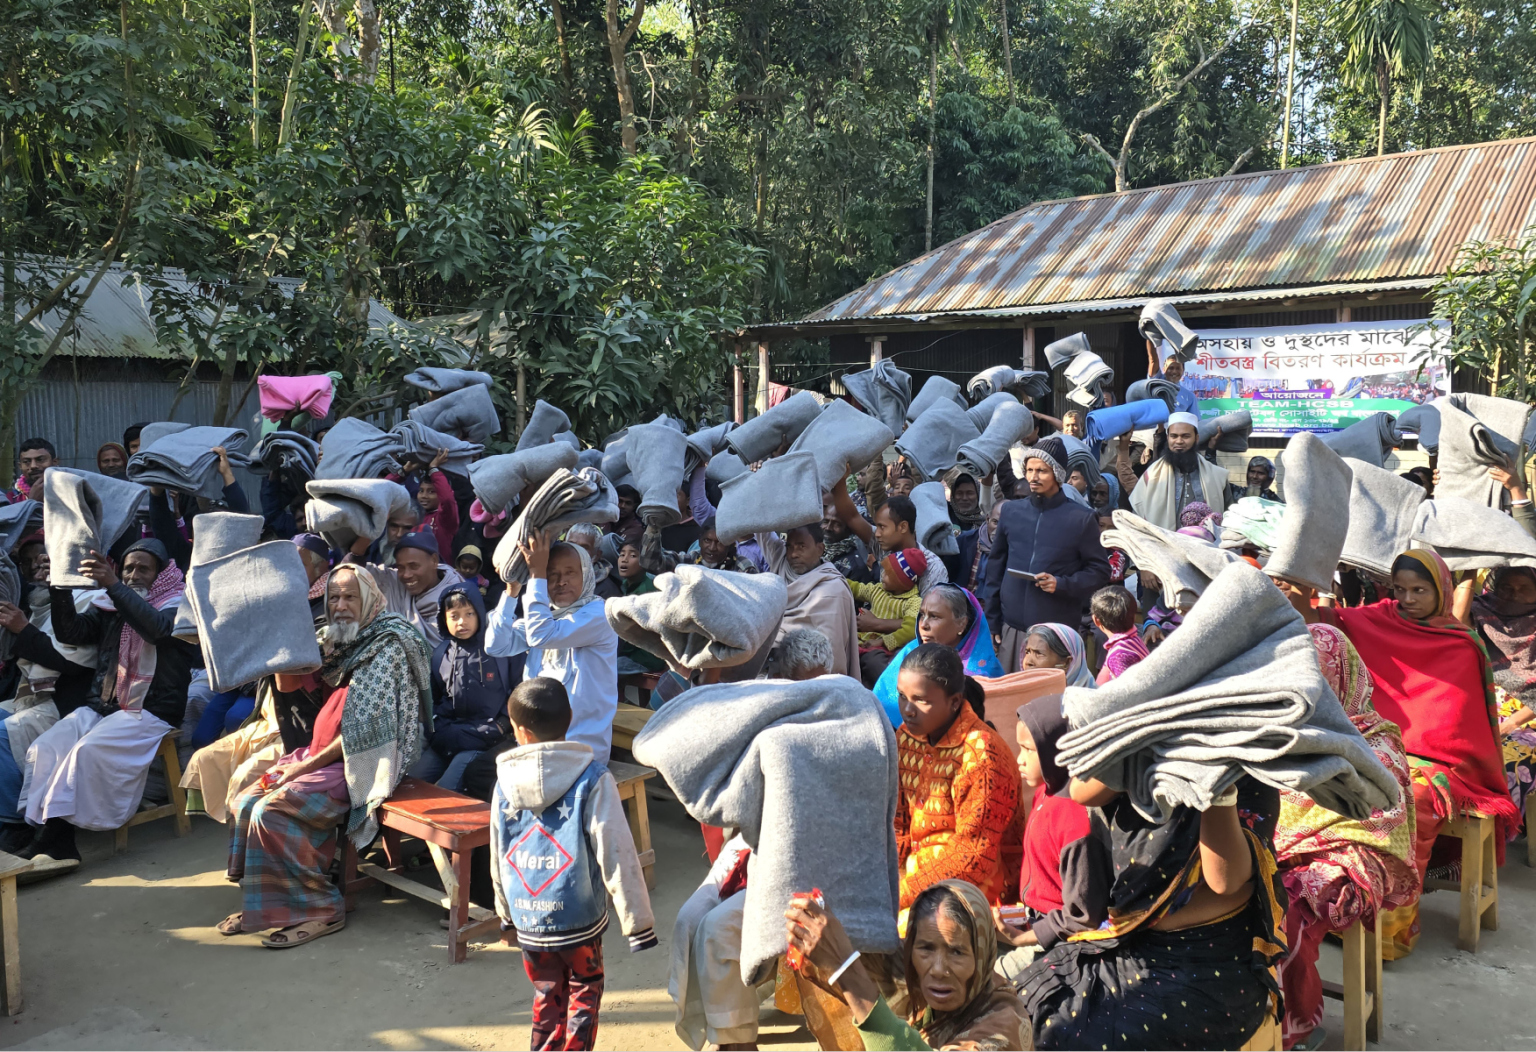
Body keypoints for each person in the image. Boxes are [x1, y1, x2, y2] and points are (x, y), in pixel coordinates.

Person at [218, 565, 432, 947]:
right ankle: (266, 907)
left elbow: (364, 733)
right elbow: (290, 689)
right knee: (246, 800)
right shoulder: (336, 641)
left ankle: (320, 908)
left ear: (369, 598)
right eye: (334, 597)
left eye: (351, 596)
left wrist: (301, 767)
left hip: (366, 762)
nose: (341, 606)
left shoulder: (389, 643)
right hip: (320, 755)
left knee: (274, 810)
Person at [1319, 549, 1519, 957]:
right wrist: (1314, 585)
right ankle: (1334, 906)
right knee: (1328, 787)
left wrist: (1406, 758)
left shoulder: (1460, 645)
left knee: (1411, 799)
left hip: (1439, 762)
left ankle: (1387, 929)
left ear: (1441, 591)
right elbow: (1327, 626)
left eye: (1419, 590)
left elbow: (1455, 727)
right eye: (1400, 590)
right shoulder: (1380, 618)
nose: (1408, 599)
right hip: (1376, 741)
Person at [1012, 772, 1286, 1050]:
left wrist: (1214, 782)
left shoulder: (1243, 775)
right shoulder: (1143, 755)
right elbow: (1083, 792)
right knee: (1022, 1005)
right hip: (1129, 948)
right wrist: (1143, 740)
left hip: (1208, 971)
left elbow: (1225, 880)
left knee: (1069, 1036)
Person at [491, 677, 657, 1052]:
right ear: (570, 718)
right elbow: (616, 849)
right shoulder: (593, 777)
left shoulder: (503, 783)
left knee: (546, 991)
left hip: (529, 915)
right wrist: (638, 923)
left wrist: (505, 914)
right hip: (578, 917)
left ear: (519, 730)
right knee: (585, 989)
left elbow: (498, 852)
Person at [1275, 622, 1418, 1051]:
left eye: (1315, 679)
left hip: (1351, 858)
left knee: (1284, 914)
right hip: (1283, 848)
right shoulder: (1281, 731)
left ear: (1341, 677)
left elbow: (1377, 824)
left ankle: (1288, 1025)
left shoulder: (1376, 748)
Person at [19, 539, 198, 870]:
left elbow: (157, 630)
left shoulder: (179, 603)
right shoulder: (110, 603)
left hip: (150, 710)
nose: (133, 575)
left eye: (143, 568)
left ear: (160, 573)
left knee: (85, 752)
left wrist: (114, 585)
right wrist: (60, 585)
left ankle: (57, 844)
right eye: (128, 568)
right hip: (104, 706)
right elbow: (72, 632)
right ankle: (43, 836)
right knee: (47, 746)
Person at [783, 879, 1029, 1050]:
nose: (938, 969)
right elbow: (840, 953)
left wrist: (846, 968)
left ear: (982, 955)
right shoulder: (914, 980)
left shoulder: (1003, 1024)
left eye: (956, 952)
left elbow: (849, 968)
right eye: (926, 949)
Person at [895, 644, 1021, 910]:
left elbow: (974, 857)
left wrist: (899, 895)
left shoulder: (983, 755)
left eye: (921, 700)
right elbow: (898, 823)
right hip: (910, 882)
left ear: (954, 702)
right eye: (902, 697)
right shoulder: (905, 738)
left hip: (972, 888)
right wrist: (890, 882)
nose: (908, 709)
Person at [486, 533, 620, 766]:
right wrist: (511, 592)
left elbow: (541, 635)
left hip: (581, 751)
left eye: (570, 572)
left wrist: (536, 574)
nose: (561, 581)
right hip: (536, 747)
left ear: (587, 575)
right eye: (551, 575)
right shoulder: (545, 615)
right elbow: (496, 645)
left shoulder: (599, 615)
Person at [982, 439, 1109, 673]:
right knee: (1010, 698)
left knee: (1048, 702)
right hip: (1012, 628)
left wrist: (1061, 584)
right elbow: (995, 569)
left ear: (1058, 474)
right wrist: (992, 621)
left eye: (1042, 471)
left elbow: (1100, 571)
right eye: (1029, 470)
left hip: (1055, 632)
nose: (1033, 477)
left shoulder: (1080, 518)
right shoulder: (1011, 512)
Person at [994, 696, 1095, 983]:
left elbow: (1082, 914)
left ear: (1056, 750)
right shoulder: (1045, 792)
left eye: (1028, 749)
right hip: (1030, 917)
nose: (1018, 759)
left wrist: (1025, 938)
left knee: (984, 984)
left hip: (1055, 937)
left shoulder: (1073, 818)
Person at [0, 588, 99, 852]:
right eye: (32, 561)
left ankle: (15, 823)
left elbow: (72, 663)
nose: (40, 565)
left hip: (71, 702)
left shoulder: (92, 600)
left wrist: (23, 628)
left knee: (2, 732)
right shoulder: (37, 603)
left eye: (48, 560)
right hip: (37, 697)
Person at [408, 583, 521, 792]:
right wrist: (437, 727)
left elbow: (518, 688)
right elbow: (434, 698)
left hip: (484, 738)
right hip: (448, 737)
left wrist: (502, 725)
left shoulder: (499, 650)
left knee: (446, 790)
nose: (462, 622)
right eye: (454, 616)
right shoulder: (441, 654)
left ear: (480, 613)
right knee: (410, 784)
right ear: (444, 619)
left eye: (469, 613)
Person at [872, 584, 1003, 727]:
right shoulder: (911, 651)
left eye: (934, 616)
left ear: (961, 623)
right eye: (922, 614)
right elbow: (880, 706)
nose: (923, 625)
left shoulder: (984, 671)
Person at [1466, 567, 1536, 820]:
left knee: (1504, 766)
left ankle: (1497, 832)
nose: (1514, 594)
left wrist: (1512, 724)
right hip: (1487, 709)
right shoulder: (1481, 613)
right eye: (1507, 587)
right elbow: (1454, 622)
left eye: (1524, 588)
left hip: (1528, 720)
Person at [768, 523, 860, 682]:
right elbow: (760, 528)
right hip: (774, 671)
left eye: (801, 546)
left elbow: (831, 656)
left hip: (811, 680)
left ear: (820, 549)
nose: (793, 554)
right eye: (789, 547)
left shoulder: (834, 591)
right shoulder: (781, 565)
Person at [349, 530, 464, 648]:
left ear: (434, 561)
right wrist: (373, 527)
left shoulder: (458, 597)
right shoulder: (392, 582)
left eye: (414, 566)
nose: (406, 575)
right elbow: (351, 569)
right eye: (400, 567)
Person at [828, 489, 949, 596]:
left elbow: (928, 617)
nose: (877, 533)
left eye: (882, 527)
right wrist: (840, 481)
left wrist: (877, 622)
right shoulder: (884, 545)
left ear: (903, 527)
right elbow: (852, 517)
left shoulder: (933, 567)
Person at [1120, 413, 1231, 530]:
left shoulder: (1217, 476)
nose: (1179, 441)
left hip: (1206, 544)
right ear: (1168, 438)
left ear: (1196, 438)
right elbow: (1138, 515)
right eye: (1174, 436)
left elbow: (1229, 517)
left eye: (1185, 436)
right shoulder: (1151, 475)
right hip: (1161, 545)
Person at [848, 549, 925, 686]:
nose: (882, 575)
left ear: (903, 581)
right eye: (883, 571)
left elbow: (909, 630)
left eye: (888, 574)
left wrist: (883, 641)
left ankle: (891, 690)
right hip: (859, 641)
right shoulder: (877, 590)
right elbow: (856, 588)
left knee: (874, 664)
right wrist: (837, 578)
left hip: (882, 649)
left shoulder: (913, 601)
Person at [614, 538, 665, 674]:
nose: (624, 559)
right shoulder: (627, 584)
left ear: (644, 561)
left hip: (646, 656)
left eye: (633, 555)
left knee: (604, 670)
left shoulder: (647, 589)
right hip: (633, 651)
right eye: (622, 554)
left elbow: (634, 634)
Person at [1090, 585, 1147, 683]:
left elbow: (1126, 692)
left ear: (1096, 621)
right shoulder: (1134, 641)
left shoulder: (1119, 655)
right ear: (1134, 617)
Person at [1018, 623, 1095, 688]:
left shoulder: (1087, 703)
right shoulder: (1021, 695)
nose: (1028, 661)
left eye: (1039, 653)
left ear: (1067, 663)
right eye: (1027, 652)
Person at [955, 498, 1005, 594]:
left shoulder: (1015, 549)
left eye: (1005, 524)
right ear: (987, 519)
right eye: (995, 522)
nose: (999, 529)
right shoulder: (965, 541)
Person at [564, 523, 622, 600]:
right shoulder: (551, 576)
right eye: (571, 545)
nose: (576, 550)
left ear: (597, 555)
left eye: (584, 547)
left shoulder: (607, 591)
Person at [822, 499, 872, 582]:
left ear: (849, 529)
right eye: (825, 521)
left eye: (836, 524)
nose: (828, 527)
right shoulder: (814, 550)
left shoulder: (855, 567)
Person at [1144, 346, 1199, 415]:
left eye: (1178, 368)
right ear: (1164, 369)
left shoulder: (1189, 397)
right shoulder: (1156, 382)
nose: (1174, 372)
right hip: (1155, 425)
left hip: (1176, 425)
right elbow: (1153, 360)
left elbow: (1194, 422)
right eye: (1171, 368)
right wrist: (1151, 337)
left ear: (1183, 370)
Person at [10, 438, 56, 503]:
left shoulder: (70, 491)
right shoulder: (10, 500)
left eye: (40, 460)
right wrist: (32, 501)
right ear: (20, 466)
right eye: (26, 461)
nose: (33, 466)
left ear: (55, 462)